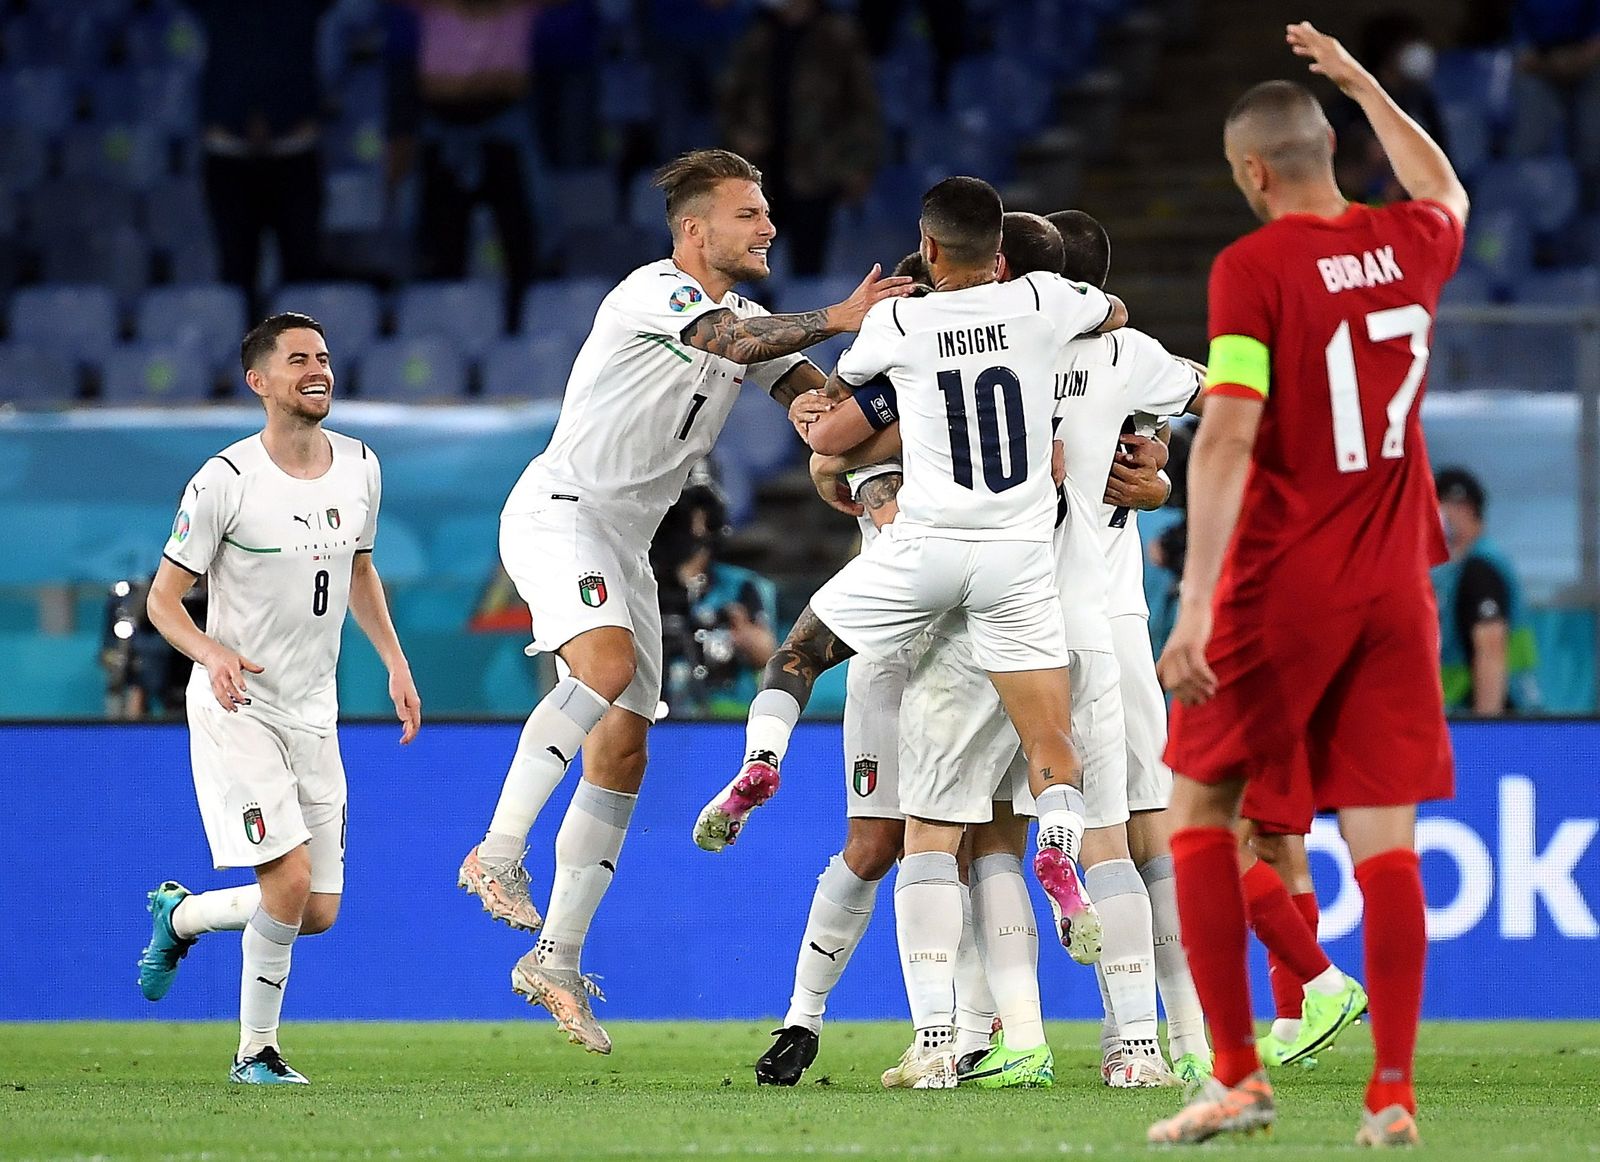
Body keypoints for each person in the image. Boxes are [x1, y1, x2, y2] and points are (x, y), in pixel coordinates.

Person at [458, 148, 911, 1056]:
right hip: (561, 514)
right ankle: (497, 853)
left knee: (623, 746)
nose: (770, 227)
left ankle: (556, 959)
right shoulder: (653, 295)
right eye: (751, 214)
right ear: (697, 229)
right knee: (607, 668)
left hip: (625, 543)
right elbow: (738, 348)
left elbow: (815, 409)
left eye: (769, 212)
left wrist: (873, 448)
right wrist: (842, 315)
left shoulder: (741, 314)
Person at [694, 176, 1128, 1089]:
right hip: (1012, 569)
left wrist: (856, 460)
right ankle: (1059, 866)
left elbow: (828, 438)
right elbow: (1111, 311)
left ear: (926, 255)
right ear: (1002, 259)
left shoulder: (896, 335)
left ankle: (946, 1033)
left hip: (921, 571)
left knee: (811, 675)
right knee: (1013, 776)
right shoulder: (1046, 309)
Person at [1148, 22, 1466, 1147]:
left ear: (1250, 172)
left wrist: (1192, 607)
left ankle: (1237, 1075)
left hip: (1283, 585)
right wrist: (1368, 81)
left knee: (1195, 809)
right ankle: (1392, 1094)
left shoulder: (1253, 267)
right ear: (1330, 149)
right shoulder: (1407, 240)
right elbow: (1447, 189)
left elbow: (1226, 438)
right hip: (1396, 587)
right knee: (1386, 839)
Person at [135, 313, 422, 1085]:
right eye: (298, 360)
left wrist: (394, 661)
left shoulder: (361, 464)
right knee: (287, 886)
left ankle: (182, 915)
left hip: (314, 711)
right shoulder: (224, 480)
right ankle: (254, 1053)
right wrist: (212, 652)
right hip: (241, 710)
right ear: (258, 381)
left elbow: (359, 569)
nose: (317, 370)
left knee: (316, 911)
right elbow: (165, 601)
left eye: (324, 357)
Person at [720, 0, 883, 276]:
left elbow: (863, 106)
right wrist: (740, 134)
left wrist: (858, 165)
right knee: (747, 260)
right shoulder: (758, 32)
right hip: (761, 168)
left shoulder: (838, 33)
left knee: (808, 264)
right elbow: (730, 95)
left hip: (817, 168)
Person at [183, 2, 331, 303]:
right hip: (229, 155)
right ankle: (244, 349)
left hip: (295, 152)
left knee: (302, 279)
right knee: (236, 280)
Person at [652, 469, 779, 719]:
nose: (694, 538)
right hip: (664, 709)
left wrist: (741, 634)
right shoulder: (650, 585)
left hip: (727, 713)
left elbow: (767, 651)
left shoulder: (741, 585)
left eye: (702, 527)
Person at [1433, 466, 1540, 715]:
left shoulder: (1480, 569)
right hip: (1481, 716)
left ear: (1464, 509)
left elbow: (1491, 646)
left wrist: (1486, 730)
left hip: (1492, 718)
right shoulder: (1458, 570)